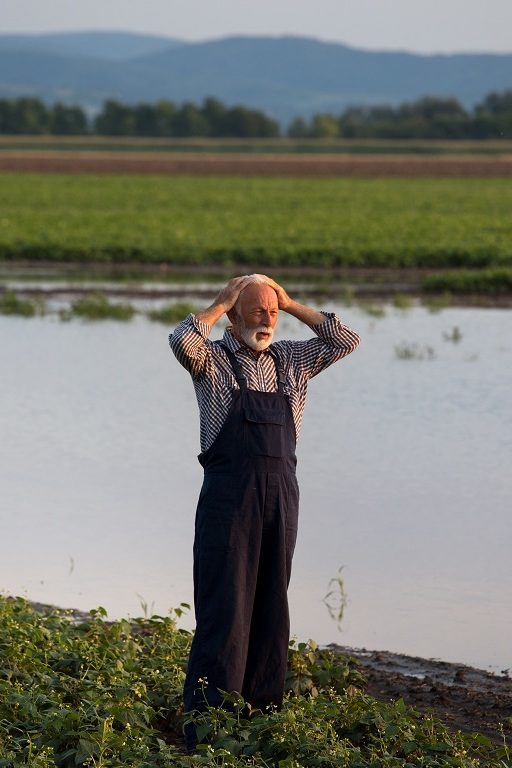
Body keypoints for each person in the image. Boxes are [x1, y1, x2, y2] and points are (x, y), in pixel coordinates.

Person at [169, 274, 360, 751]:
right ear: (235, 315)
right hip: (228, 500)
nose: (266, 318)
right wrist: (220, 303)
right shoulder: (213, 361)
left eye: (271, 311)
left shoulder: (292, 360)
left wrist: (291, 302)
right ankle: (208, 726)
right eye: (256, 309)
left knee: (272, 606)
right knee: (225, 607)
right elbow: (182, 339)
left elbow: (345, 339)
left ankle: (260, 718)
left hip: (280, 498)